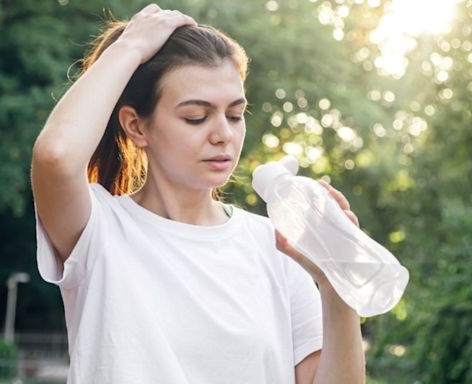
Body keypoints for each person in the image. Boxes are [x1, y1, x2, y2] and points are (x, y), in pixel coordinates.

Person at [31, 4, 365, 383]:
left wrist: (339, 285)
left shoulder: (278, 247)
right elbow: (56, 155)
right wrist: (131, 46)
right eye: (196, 116)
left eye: (235, 115)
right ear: (136, 126)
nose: (223, 133)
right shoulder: (99, 233)